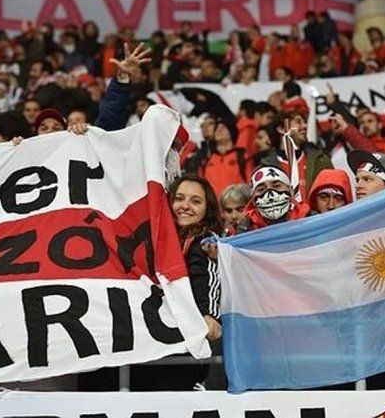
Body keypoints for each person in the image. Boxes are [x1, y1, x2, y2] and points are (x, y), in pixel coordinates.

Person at [131, 175, 222, 391]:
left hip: (185, 347)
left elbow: (205, 276)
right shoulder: (156, 238)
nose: (185, 206)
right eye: (179, 199)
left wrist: (208, 314)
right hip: (153, 341)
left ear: (207, 209)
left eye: (195, 201)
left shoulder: (205, 241)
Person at [240, 166, 310, 232]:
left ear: (291, 191)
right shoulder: (244, 228)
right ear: (252, 198)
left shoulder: (310, 218)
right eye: (261, 189)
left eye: (276, 186)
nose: (271, 196)